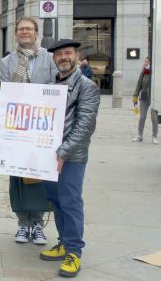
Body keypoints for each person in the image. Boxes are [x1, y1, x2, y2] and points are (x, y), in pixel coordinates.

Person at [39, 39, 100, 278]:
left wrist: (63, 152)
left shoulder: (86, 86)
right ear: (54, 59)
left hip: (71, 157)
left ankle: (74, 252)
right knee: (56, 200)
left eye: (67, 53)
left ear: (76, 56)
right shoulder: (51, 84)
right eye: (59, 55)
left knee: (71, 202)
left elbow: (85, 125)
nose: (63, 57)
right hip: (48, 155)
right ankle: (64, 242)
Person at [0, 17, 57, 245]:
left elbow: (55, 86)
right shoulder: (6, 62)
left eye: (28, 29)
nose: (24, 32)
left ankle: (38, 224)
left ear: (36, 33)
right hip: (17, 126)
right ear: (15, 33)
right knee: (18, 177)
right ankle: (23, 224)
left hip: (42, 126)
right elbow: (6, 91)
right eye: (21, 29)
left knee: (39, 177)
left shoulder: (49, 59)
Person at [132, 57, 158, 144]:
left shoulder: (156, 71)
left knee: (154, 118)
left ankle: (154, 136)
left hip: (154, 98)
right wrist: (135, 95)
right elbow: (139, 83)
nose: (145, 62)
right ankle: (140, 135)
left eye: (147, 61)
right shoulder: (144, 71)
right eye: (145, 61)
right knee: (142, 117)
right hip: (144, 97)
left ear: (151, 62)